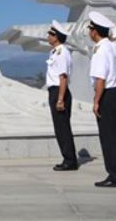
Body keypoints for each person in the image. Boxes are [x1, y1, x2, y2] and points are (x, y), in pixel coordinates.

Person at [88, 10, 116, 187]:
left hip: (109, 94)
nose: (89, 32)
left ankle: (115, 175)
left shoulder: (100, 50)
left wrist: (96, 101)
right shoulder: (114, 46)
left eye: (90, 28)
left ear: (95, 31)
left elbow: (101, 79)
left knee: (109, 137)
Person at [47, 20, 78, 171]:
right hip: (54, 91)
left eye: (51, 34)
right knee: (59, 128)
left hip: (60, 91)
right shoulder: (54, 52)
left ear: (57, 37)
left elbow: (63, 77)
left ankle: (70, 160)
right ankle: (67, 157)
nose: (48, 36)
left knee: (63, 127)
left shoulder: (62, 52)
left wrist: (60, 99)